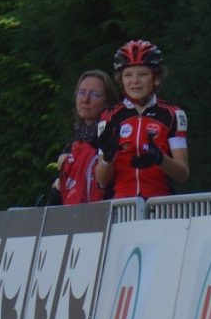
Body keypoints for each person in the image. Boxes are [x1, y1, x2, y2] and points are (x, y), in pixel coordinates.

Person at [94, 40, 190, 200]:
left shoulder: (173, 114)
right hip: (124, 207)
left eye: (142, 74)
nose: (135, 81)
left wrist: (160, 159)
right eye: (128, 75)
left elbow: (183, 175)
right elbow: (101, 181)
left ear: (156, 78)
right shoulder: (109, 117)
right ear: (121, 80)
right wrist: (107, 158)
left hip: (161, 205)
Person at [54, 70, 118, 205]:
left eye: (95, 95)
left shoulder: (110, 133)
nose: (85, 99)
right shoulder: (76, 138)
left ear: (107, 102)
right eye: (81, 93)